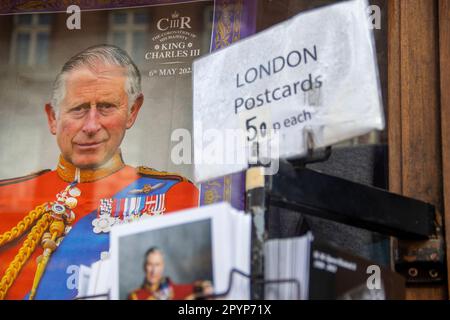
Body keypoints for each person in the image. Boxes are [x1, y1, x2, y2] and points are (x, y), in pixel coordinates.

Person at [0, 45, 199, 300]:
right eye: (78, 108)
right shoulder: (6, 197)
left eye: (106, 107)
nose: (92, 125)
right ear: (52, 117)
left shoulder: (176, 198)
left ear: (132, 111)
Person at [128, 247, 213, 300]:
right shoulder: (136, 297)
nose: (153, 270)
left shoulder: (173, 289)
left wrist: (205, 288)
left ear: (162, 267)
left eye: (157, 265)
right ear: (144, 266)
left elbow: (202, 286)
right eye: (150, 265)